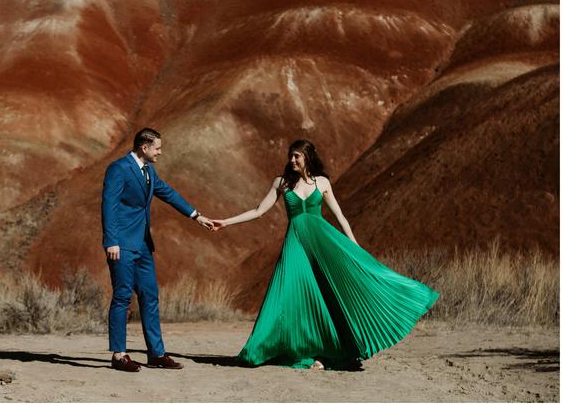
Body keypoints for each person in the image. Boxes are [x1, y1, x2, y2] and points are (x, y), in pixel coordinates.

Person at [211, 139, 439, 370]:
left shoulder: (322, 182)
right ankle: (266, 347)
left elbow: (340, 216)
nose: (292, 160)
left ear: (308, 157)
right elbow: (259, 211)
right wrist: (225, 222)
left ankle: (330, 353)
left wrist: (354, 245)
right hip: (296, 243)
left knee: (328, 294)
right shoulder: (281, 183)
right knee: (286, 292)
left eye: (297, 156)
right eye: (290, 156)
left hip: (322, 243)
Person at [102, 127, 214, 372]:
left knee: (150, 296)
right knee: (122, 297)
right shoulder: (118, 169)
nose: (160, 152)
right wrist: (111, 241)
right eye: (158, 148)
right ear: (144, 147)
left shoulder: (149, 171)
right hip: (121, 245)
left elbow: (168, 193)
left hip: (143, 245)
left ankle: (156, 354)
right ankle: (119, 355)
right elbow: (108, 205)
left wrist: (196, 216)